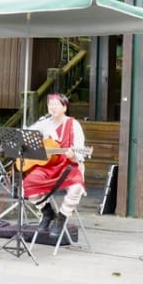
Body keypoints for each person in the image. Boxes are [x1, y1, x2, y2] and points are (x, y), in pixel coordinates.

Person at [21, 93, 88, 235]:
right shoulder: (44, 123)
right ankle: (47, 212)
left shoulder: (73, 125)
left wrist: (73, 155)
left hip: (68, 166)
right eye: (50, 105)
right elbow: (28, 138)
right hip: (48, 166)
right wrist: (26, 134)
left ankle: (62, 217)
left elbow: (80, 151)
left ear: (64, 107)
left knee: (76, 186)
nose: (53, 108)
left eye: (56, 105)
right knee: (28, 183)